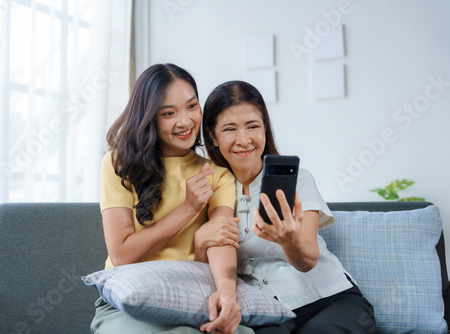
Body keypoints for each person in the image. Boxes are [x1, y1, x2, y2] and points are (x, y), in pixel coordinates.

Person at [197, 80, 377, 334]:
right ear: (213, 136)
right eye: (229, 129)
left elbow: (308, 260)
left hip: (330, 299)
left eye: (253, 126)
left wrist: (289, 242)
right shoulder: (211, 194)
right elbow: (205, 266)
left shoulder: (298, 182)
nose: (244, 139)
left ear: (265, 130)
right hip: (268, 312)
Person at [91, 64, 254, 334]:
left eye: (192, 106)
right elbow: (121, 255)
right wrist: (188, 208)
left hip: (190, 296)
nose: (186, 121)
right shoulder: (118, 164)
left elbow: (220, 237)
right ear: (149, 117)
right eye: (169, 113)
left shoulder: (217, 174)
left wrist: (226, 292)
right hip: (127, 301)